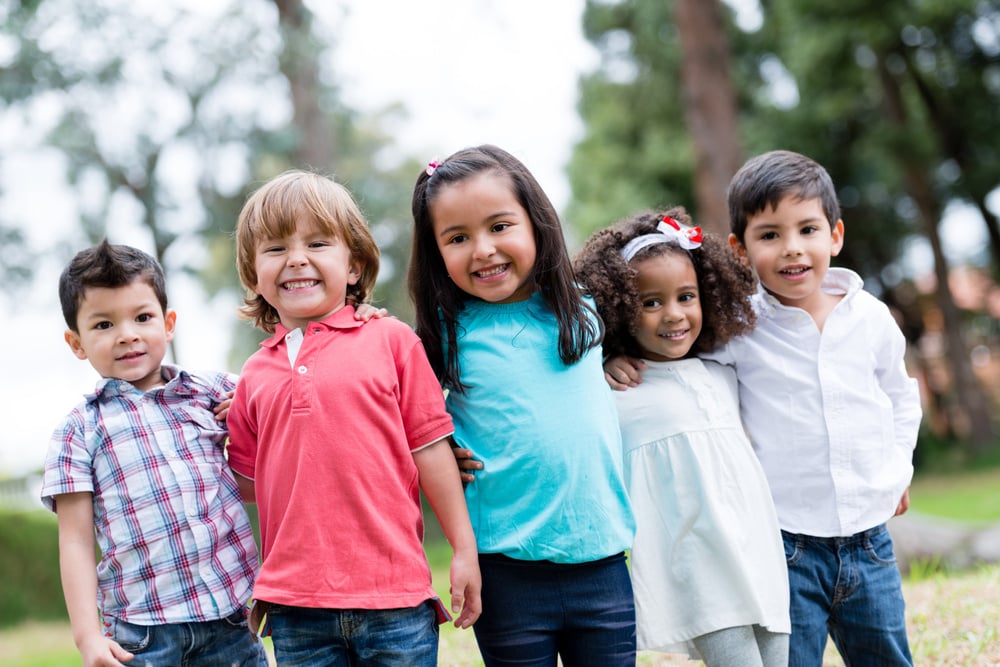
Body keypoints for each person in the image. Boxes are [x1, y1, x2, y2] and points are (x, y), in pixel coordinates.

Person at [608, 150, 922, 666]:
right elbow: (671, 349)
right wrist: (612, 357)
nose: (792, 249)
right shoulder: (738, 327)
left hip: (870, 541)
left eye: (807, 230)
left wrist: (898, 468)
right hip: (788, 545)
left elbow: (900, 396)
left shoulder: (871, 318)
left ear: (835, 236)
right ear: (740, 249)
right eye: (770, 235)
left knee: (887, 655)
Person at [226, 169, 481, 667]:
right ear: (253, 272)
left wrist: (464, 550)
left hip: (396, 597)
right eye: (275, 248)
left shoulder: (392, 342)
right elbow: (248, 485)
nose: (296, 258)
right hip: (295, 606)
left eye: (317, 243)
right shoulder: (254, 374)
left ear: (355, 266)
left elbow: (430, 452)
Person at [408, 144, 637, 666]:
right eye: (458, 238)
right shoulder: (445, 334)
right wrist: (445, 450)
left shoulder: (587, 310)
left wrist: (614, 363)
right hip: (506, 571)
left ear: (536, 224)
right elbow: (408, 417)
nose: (483, 249)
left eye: (499, 226)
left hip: (601, 564)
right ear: (436, 251)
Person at [573, 208, 790, 666]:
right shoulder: (616, 392)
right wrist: (602, 362)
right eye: (650, 303)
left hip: (759, 554)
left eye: (686, 297)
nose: (673, 315)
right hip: (699, 569)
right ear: (617, 309)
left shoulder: (722, 372)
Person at [41, 240, 268, 667]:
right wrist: (88, 636)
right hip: (143, 635)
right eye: (104, 325)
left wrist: (251, 410)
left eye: (142, 318)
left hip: (231, 618)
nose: (127, 335)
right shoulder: (79, 431)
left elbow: (286, 405)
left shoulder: (212, 392)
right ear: (77, 342)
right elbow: (74, 540)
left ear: (168, 323)